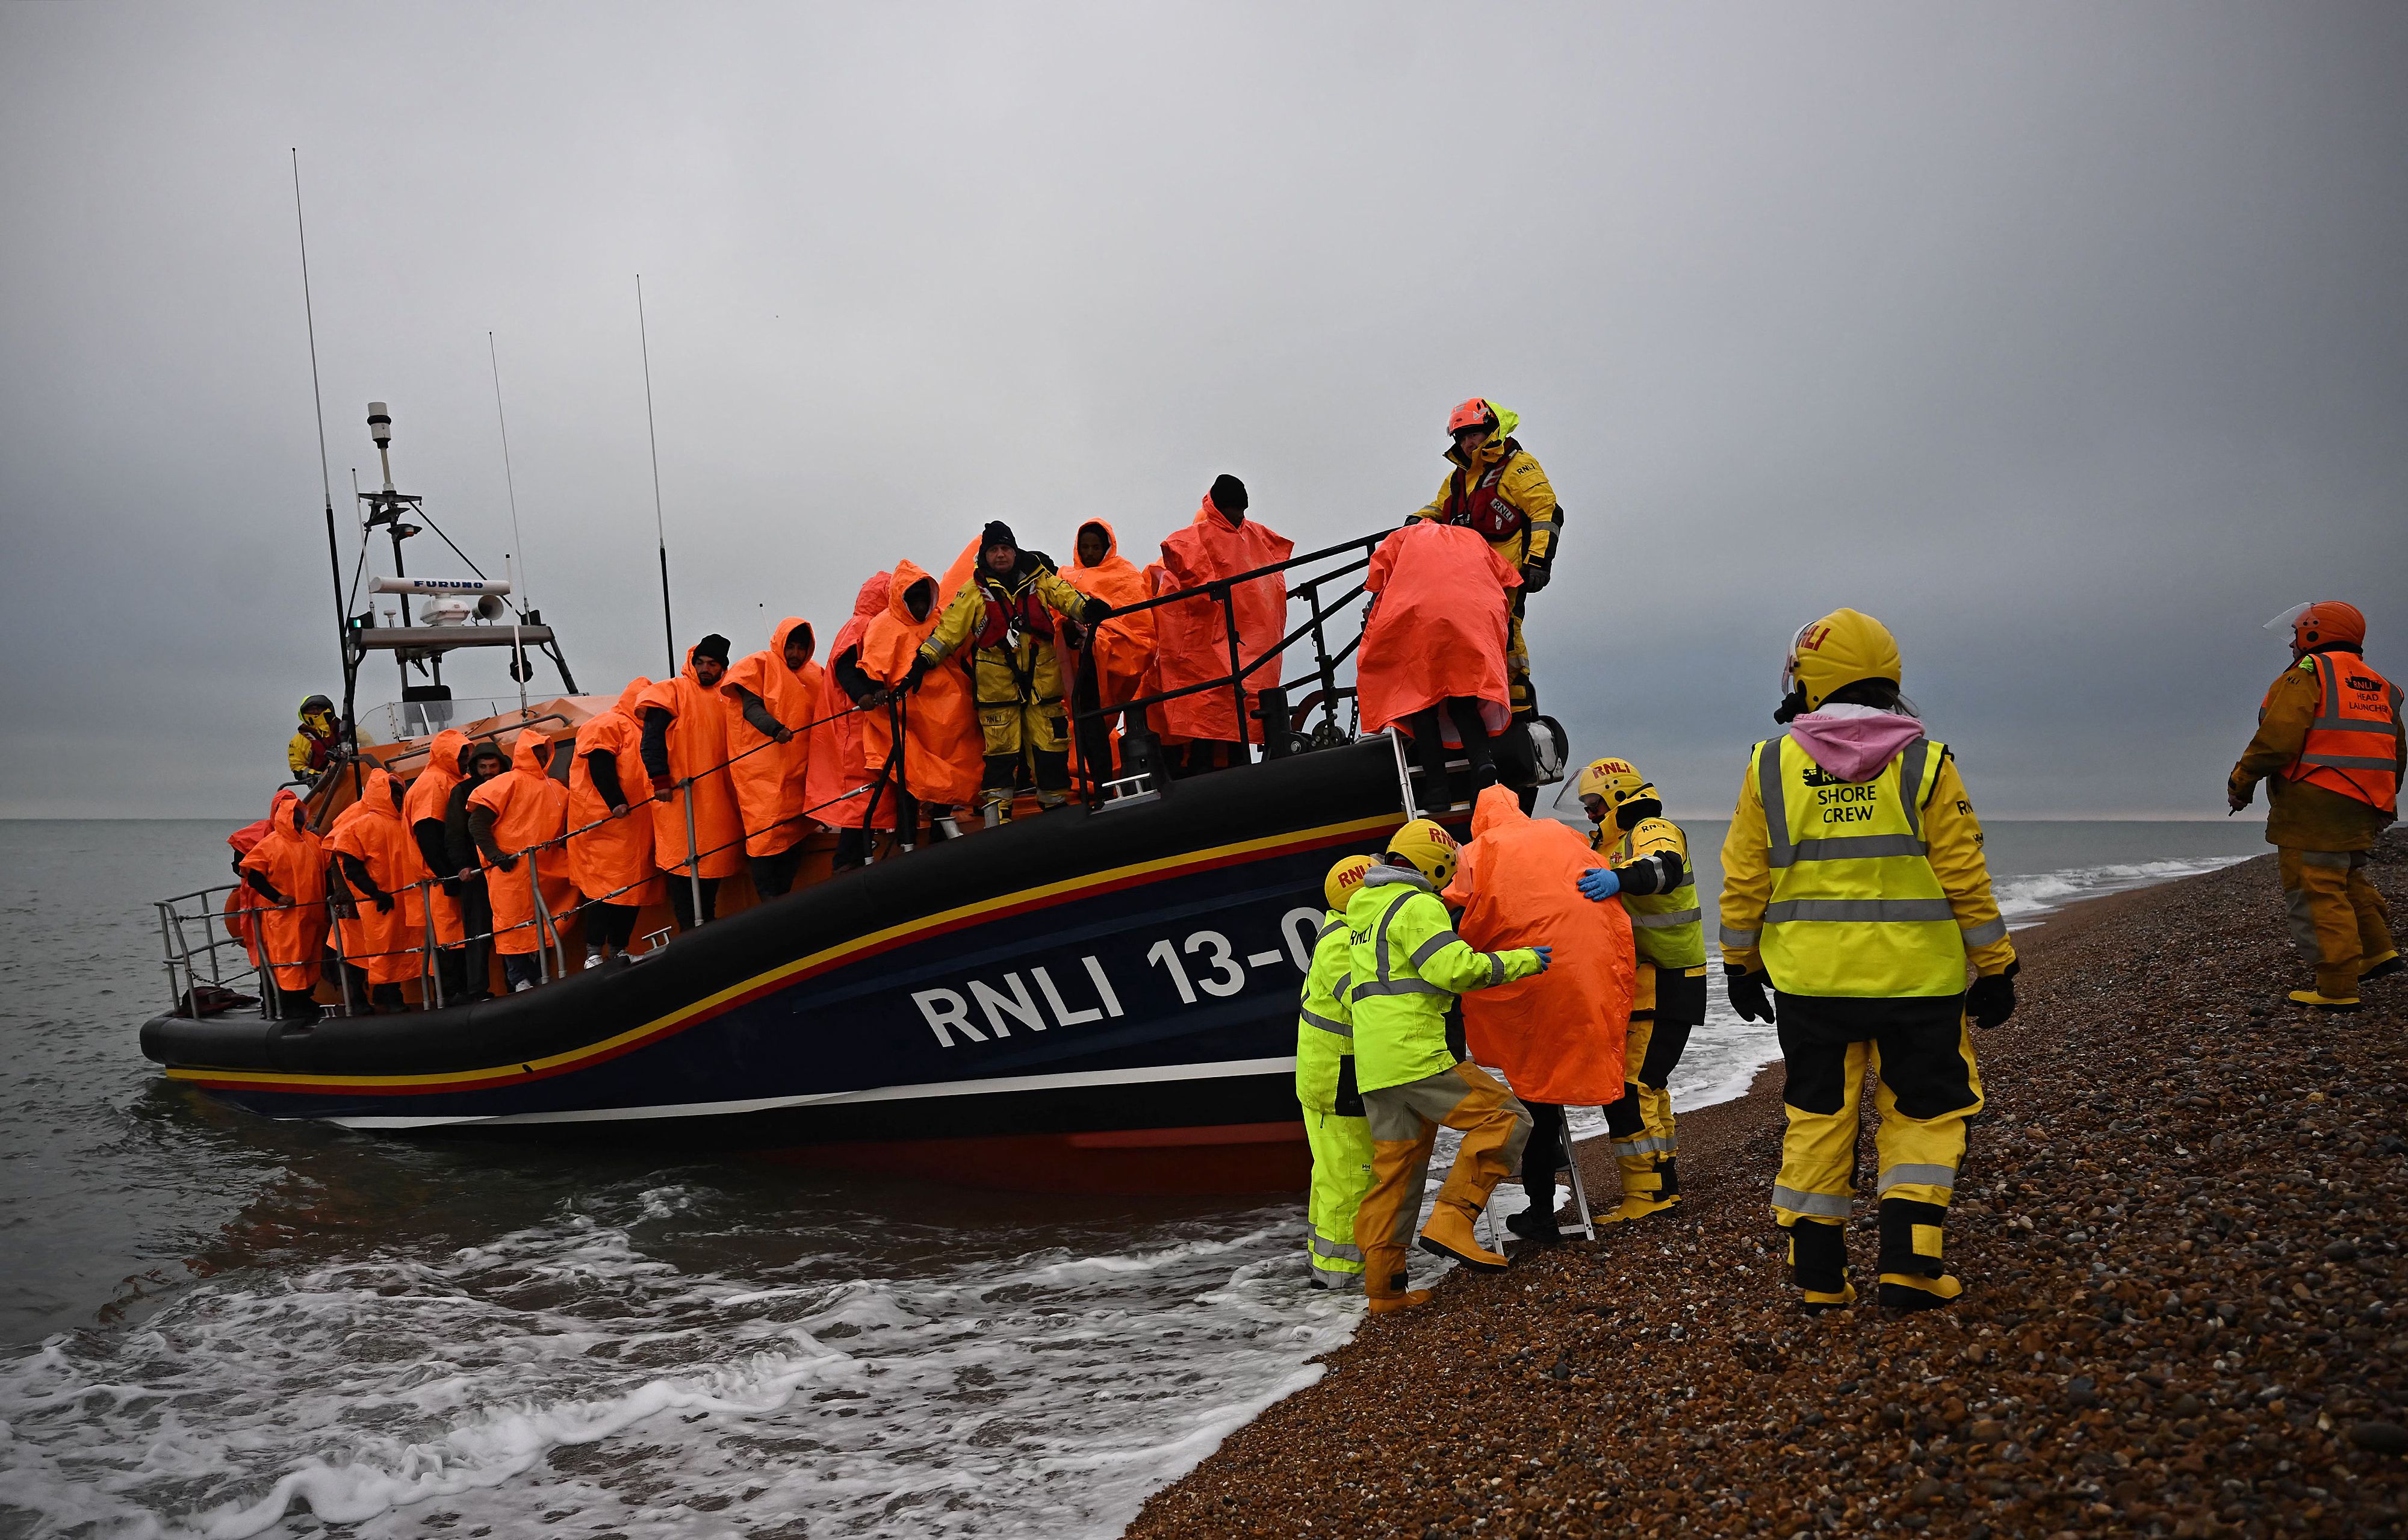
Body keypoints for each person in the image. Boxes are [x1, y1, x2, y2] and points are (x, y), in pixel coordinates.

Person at [1720, 608, 2016, 1314]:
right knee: (1923, 1111)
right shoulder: (1927, 760)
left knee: (1818, 1113)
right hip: (1918, 983)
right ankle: (1910, 1263)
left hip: (1811, 984)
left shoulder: (1769, 764)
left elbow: (1743, 879)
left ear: (1809, 680)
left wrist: (1736, 963)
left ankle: (1819, 1273)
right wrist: (1996, 963)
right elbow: (1964, 876)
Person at [1347, 818, 1553, 1313]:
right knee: (1506, 1119)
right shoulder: (1417, 904)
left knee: (1395, 1176)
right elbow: (1454, 969)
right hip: (1417, 1055)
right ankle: (1453, 1222)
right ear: (1436, 865)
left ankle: (1385, 1292)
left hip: (1375, 1067)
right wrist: (1524, 959)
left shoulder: (1363, 911)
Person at [1442, 783, 1634, 1244]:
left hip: (1531, 980)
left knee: (1536, 1092)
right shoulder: (1563, 834)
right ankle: (1646, 1183)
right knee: (1579, 1066)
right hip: (1583, 973)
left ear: (1480, 818)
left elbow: (1450, 904)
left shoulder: (1478, 850)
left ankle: (1541, 1213)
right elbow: (1602, 879)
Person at [2227, 601, 2403, 1010]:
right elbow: (2398, 751)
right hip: (2366, 800)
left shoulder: (2310, 674)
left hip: (2314, 800)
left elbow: (2278, 738)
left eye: (2297, 633)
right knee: (2349, 877)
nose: (2292, 643)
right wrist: (2384, 802)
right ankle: (2378, 953)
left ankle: (2337, 986)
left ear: (2314, 634)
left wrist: (2241, 781)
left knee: (2316, 888)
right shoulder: (2382, 686)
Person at [1574, 756, 1710, 1223]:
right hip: (1653, 980)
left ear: (1616, 795)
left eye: (1594, 804)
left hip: (1671, 977)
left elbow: (1663, 868)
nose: (1591, 814)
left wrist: (1618, 879)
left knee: (1630, 1088)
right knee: (1650, 1085)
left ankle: (1647, 1194)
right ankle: (1663, 1185)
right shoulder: (1610, 843)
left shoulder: (1650, 828)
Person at [914, 523, 1108, 825]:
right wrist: (923, 661)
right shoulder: (972, 592)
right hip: (997, 691)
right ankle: (997, 819)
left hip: (1042, 687)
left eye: (1006, 549)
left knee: (1051, 746)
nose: (1001, 555)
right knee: (1001, 752)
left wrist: (1089, 609)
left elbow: (1066, 596)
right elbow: (948, 632)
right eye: (994, 550)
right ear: (985, 555)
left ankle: (1057, 812)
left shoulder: (1039, 579)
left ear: (1015, 552)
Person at [1406, 399, 1562, 721]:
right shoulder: (1457, 480)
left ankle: (1521, 716)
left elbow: (1545, 511)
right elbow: (1440, 510)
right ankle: (1479, 720)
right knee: (1468, 646)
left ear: (1490, 430)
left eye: (1473, 433)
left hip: (1506, 575)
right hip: (1468, 580)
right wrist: (1414, 523)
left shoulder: (1518, 466)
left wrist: (1538, 562)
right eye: (1461, 438)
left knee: (1506, 641)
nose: (1468, 442)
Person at [1357, 517, 1523, 802]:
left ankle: (1437, 788)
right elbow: (1510, 577)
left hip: (1419, 619)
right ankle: (1483, 763)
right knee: (1464, 700)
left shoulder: (1403, 538)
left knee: (1421, 704)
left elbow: (1376, 579)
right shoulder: (1474, 539)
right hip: (1473, 616)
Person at [838, 559, 984, 844]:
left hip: (952, 714)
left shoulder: (941, 617)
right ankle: (908, 840)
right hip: (909, 719)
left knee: (955, 769)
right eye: (913, 601)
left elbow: (962, 651)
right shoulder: (882, 626)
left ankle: (941, 830)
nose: (919, 608)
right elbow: (870, 669)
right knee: (909, 779)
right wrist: (874, 691)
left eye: (923, 600)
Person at [1155, 476, 1294, 774]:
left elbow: (1282, 554)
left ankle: (1236, 767)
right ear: (1218, 506)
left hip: (1250, 641)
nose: (1237, 515)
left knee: (1236, 708)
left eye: (1241, 508)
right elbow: (1176, 550)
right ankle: (1205, 767)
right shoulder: (1200, 535)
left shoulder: (1256, 535)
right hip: (1213, 643)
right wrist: (1208, 585)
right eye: (1232, 508)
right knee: (1212, 708)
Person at [1298, 852, 1379, 1290]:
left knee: (1334, 1173)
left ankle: (1324, 1266)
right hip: (1337, 1077)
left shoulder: (1344, 934)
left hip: (1331, 1073)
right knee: (1350, 1176)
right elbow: (1366, 999)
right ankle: (1340, 1279)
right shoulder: (1342, 943)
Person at [641, 636, 746, 930]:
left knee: (713, 865)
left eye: (712, 664)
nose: (705, 669)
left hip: (720, 803)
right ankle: (691, 933)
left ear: (722, 668)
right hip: (679, 802)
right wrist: (660, 779)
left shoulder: (730, 697)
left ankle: (706, 929)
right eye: (700, 662)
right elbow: (651, 740)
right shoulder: (671, 692)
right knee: (682, 867)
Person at [723, 618, 830, 894]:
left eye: (801, 648)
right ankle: (769, 903)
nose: (795, 654)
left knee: (797, 833)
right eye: (791, 647)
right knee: (764, 836)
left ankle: (780, 900)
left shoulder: (816, 673)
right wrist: (776, 729)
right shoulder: (758, 664)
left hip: (800, 774)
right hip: (763, 777)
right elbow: (751, 708)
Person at [468, 730, 573, 993]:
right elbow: (477, 822)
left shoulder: (557, 788)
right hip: (510, 871)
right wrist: (495, 856)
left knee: (543, 922)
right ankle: (519, 980)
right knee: (513, 925)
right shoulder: (505, 783)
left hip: (547, 871)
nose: (539, 757)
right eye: (535, 753)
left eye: (543, 753)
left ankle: (539, 976)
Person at [568, 680, 662, 967]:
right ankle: (594, 953)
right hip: (607, 827)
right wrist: (615, 801)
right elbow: (599, 762)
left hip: (636, 828)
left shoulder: (645, 730)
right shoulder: (608, 723)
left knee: (633, 889)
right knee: (604, 890)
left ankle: (619, 949)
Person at [1061, 519, 1159, 785]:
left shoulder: (1124, 575)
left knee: (1092, 723)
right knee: (1080, 724)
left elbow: (1137, 629)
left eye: (1095, 547)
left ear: (1107, 548)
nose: (1090, 553)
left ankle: (1101, 784)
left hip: (1100, 663)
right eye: (1085, 547)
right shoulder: (1064, 577)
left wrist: (1096, 638)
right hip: (1070, 665)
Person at [815, 573, 900, 870]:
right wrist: (865, 694)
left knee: (876, 788)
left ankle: (862, 855)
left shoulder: (872, 625)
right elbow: (847, 667)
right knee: (863, 791)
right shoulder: (863, 626)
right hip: (858, 725)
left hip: (868, 722)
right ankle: (848, 861)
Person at [326, 767, 424, 1011]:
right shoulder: (358, 816)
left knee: (379, 947)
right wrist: (353, 893)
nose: (398, 799)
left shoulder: (399, 819)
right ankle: (361, 998)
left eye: (400, 793)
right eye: (393, 793)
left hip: (388, 897)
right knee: (357, 949)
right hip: (361, 899)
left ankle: (384, 993)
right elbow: (339, 853)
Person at [237, 787, 329, 1020]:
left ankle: (305, 1001)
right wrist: (277, 897)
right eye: (294, 816)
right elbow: (253, 874)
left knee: (309, 959)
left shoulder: (312, 841)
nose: (299, 821)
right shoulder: (270, 844)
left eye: (301, 816)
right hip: (283, 918)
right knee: (287, 962)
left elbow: (326, 870)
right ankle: (288, 1006)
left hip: (311, 915)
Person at [404, 729, 473, 1002]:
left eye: (467, 754)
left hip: (458, 873)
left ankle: (463, 990)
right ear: (448, 755)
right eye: (461, 755)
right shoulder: (432, 783)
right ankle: (453, 994)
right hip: (440, 880)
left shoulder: (457, 779)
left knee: (460, 934)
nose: (466, 760)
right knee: (448, 936)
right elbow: (428, 835)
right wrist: (448, 877)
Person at [442, 739, 510, 1000]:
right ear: (474, 768)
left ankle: (516, 980)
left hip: (507, 869)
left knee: (512, 926)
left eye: (493, 766)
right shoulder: (462, 792)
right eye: (483, 766)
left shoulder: (509, 785)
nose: (488, 771)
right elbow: (456, 832)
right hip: (478, 874)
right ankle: (477, 989)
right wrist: (463, 866)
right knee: (478, 933)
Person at [288, 694, 343, 786]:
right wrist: (319, 776)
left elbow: (369, 745)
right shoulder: (298, 741)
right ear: (303, 713)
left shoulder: (345, 728)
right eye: (311, 709)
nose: (316, 712)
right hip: (324, 788)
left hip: (355, 776)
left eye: (319, 708)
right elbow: (297, 768)